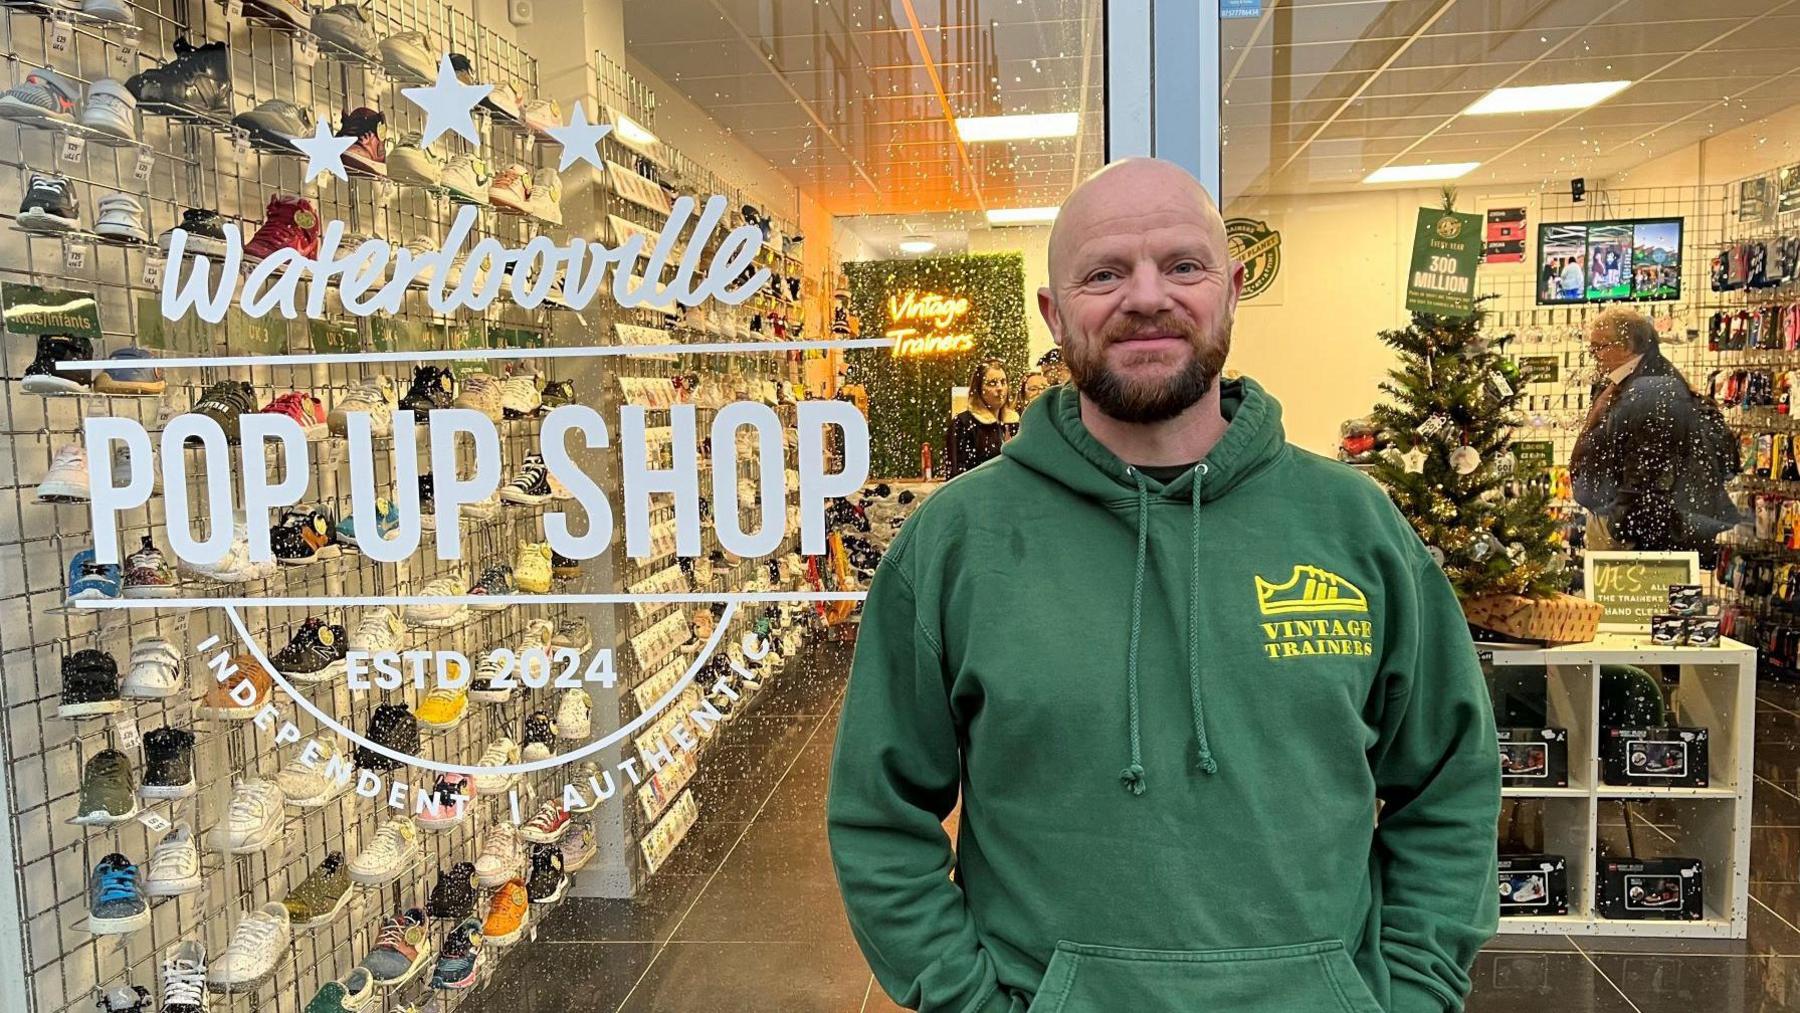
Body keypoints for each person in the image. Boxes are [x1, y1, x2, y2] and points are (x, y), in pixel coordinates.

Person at [828, 158, 1499, 1013]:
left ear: (1232, 287)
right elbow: (876, 818)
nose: (1146, 296)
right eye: (1104, 273)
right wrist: (969, 1002)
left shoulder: (1355, 528)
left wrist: (1410, 991)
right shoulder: (957, 542)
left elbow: (1450, 781)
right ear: (1053, 312)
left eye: (1183, 265)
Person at [1571, 308, 1739, 565]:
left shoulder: (1651, 389)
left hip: (1641, 538)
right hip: (1636, 525)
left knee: (1629, 603)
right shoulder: (1633, 381)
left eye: (1600, 346)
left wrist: (1621, 526)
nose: (1593, 354)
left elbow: (1648, 470)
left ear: (1627, 346)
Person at [942, 358, 1019, 479]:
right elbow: (957, 475)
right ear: (978, 389)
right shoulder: (963, 424)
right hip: (980, 492)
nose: (1000, 388)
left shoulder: (1015, 423)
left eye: (1003, 382)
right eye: (992, 383)